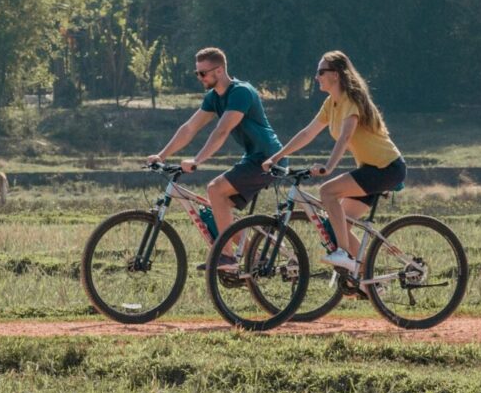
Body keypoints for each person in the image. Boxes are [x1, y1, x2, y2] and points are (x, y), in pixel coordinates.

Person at [263, 50, 405, 275]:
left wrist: (329, 167)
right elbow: (308, 133)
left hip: (386, 168)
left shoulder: (351, 100)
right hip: (370, 169)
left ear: (336, 74)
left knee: (327, 192)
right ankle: (368, 281)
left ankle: (344, 254)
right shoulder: (332, 103)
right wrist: (276, 156)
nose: (316, 77)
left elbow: (345, 136)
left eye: (321, 72)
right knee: (338, 225)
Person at [146, 47, 285, 271]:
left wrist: (197, 160)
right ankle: (256, 257)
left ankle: (227, 257)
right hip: (252, 158)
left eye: (203, 73)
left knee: (215, 189)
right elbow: (190, 128)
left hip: (268, 159)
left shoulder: (240, 92)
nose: (199, 78)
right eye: (197, 73)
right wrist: (162, 155)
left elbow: (221, 131)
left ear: (219, 71)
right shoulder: (213, 97)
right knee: (217, 212)